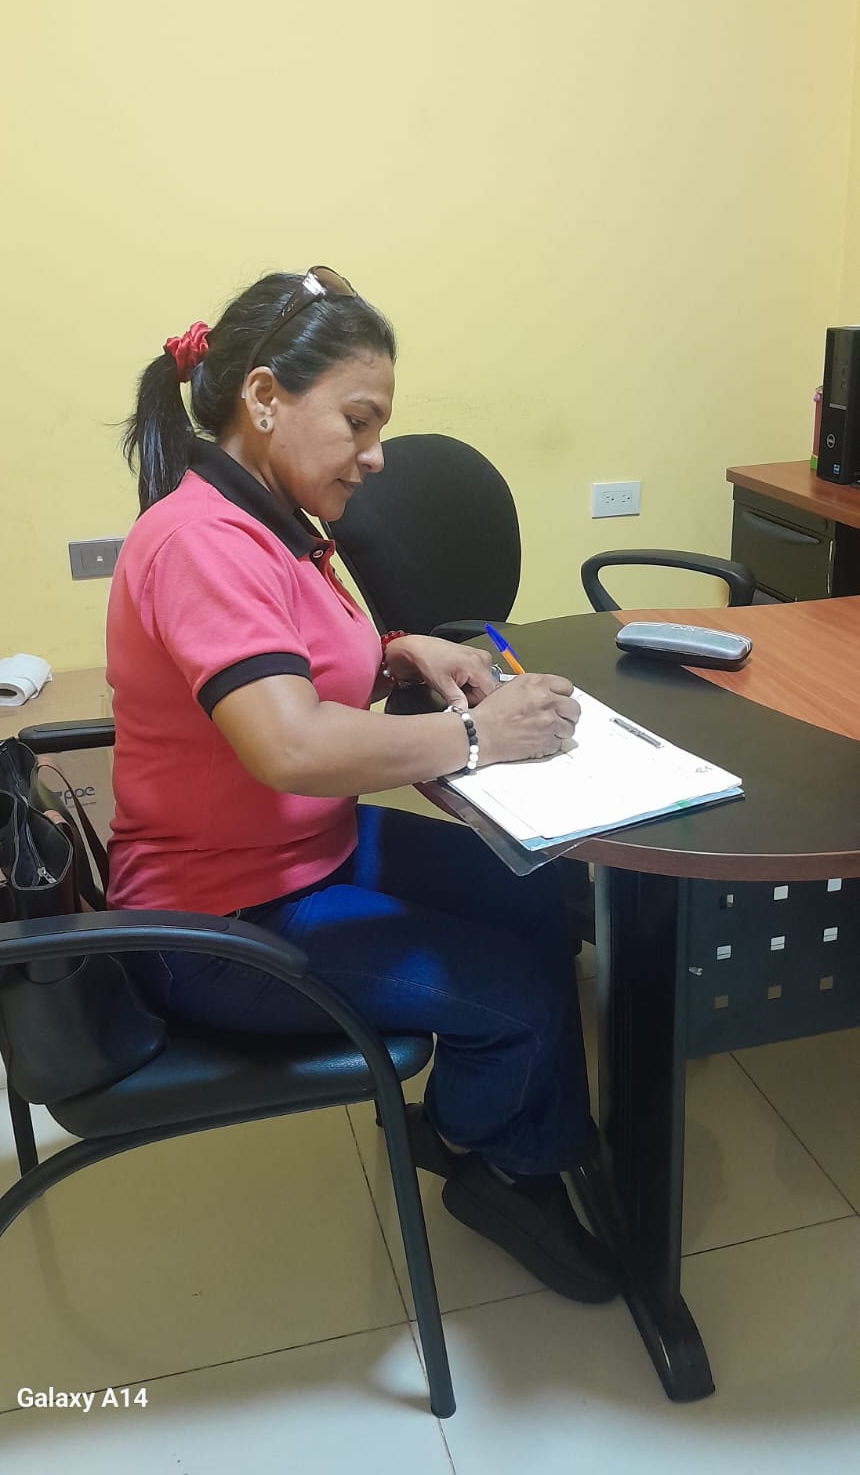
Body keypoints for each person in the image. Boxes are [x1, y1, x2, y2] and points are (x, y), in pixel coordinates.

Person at [108, 266, 618, 1303]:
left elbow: (294, 665)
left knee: (537, 891)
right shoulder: (201, 542)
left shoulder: (272, 519)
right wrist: (475, 736)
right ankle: (485, 1154)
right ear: (263, 399)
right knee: (522, 1002)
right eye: (358, 421)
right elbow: (288, 744)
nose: (376, 454)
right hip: (216, 918)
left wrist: (396, 653)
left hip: (304, 853)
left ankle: (528, 1131)